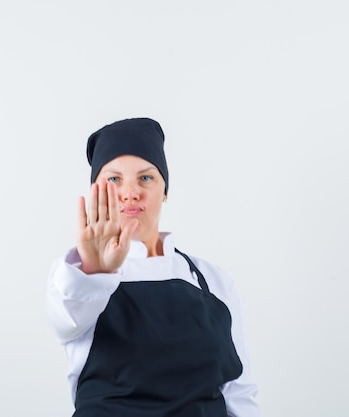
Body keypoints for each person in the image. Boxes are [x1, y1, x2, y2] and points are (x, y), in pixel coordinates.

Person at [46, 117, 260, 417]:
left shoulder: (212, 280)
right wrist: (96, 270)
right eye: (113, 179)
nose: (130, 192)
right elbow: (66, 317)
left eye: (146, 178)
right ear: (96, 191)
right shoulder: (77, 273)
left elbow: (238, 390)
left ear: (165, 190)